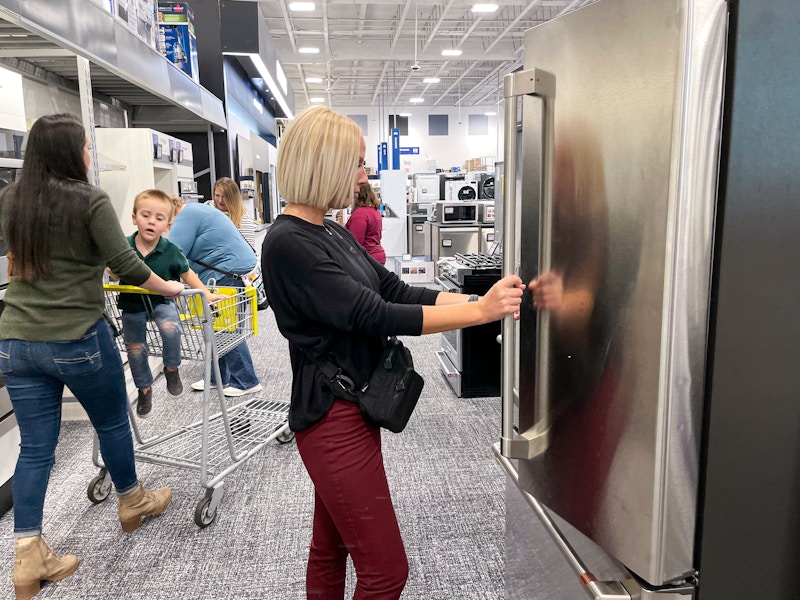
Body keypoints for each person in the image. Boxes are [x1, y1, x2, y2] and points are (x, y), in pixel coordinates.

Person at [261, 105, 524, 599]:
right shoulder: (288, 244)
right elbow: (374, 315)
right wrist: (480, 313)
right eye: (357, 163)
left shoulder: (330, 230)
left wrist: (476, 298)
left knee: (331, 546)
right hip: (332, 417)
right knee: (386, 573)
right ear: (326, 163)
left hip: (353, 405)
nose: (364, 174)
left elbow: (396, 292)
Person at [0, 114, 182, 600]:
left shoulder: (11, 199)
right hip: (76, 336)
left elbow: (17, 260)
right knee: (112, 422)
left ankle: (27, 556)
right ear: (72, 152)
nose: (88, 153)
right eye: (85, 146)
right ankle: (132, 501)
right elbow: (127, 265)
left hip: (15, 340)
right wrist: (174, 289)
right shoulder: (90, 200)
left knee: (35, 447)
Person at [116, 189, 225, 418]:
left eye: (159, 218)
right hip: (132, 305)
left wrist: (206, 293)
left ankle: (172, 368)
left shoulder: (171, 250)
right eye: (145, 215)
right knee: (135, 349)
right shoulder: (124, 248)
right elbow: (112, 268)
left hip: (162, 302)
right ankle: (144, 388)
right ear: (134, 218)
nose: (151, 222)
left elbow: (187, 274)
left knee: (171, 328)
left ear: (167, 225)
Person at [169, 198, 263, 397]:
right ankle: (216, 377)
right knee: (216, 329)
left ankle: (246, 381)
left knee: (225, 331)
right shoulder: (198, 210)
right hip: (235, 273)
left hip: (225, 275)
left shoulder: (185, 216)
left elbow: (172, 255)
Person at [211, 176, 257, 250]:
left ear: (233, 198)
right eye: (217, 195)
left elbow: (248, 251)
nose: (220, 200)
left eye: (224, 197)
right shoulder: (208, 209)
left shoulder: (244, 221)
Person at [345, 182, 386, 263]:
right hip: (377, 256)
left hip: (367, 259)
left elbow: (355, 242)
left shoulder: (360, 214)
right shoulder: (374, 211)